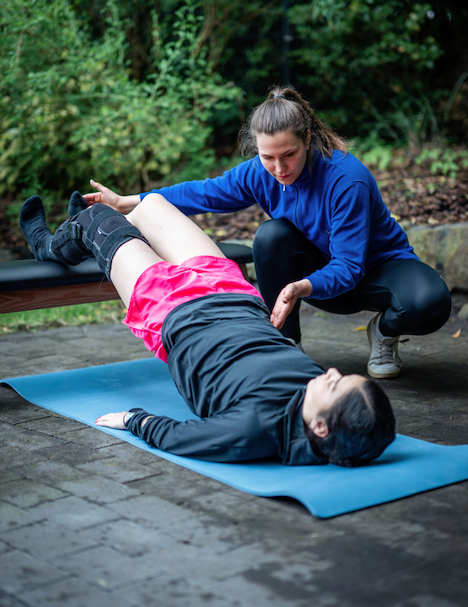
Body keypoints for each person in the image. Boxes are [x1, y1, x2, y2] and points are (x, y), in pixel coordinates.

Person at [83, 86, 452, 379]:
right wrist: (129, 201)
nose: (279, 168)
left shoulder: (346, 180)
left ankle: (384, 333)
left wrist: (302, 286)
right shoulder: (261, 173)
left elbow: (350, 266)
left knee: (430, 303)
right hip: (320, 279)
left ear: (308, 139)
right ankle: (286, 345)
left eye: (288, 154)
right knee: (271, 235)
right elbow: (204, 192)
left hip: (377, 271)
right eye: (267, 157)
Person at [19, 191, 395, 467]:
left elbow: (178, 436)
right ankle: (82, 236)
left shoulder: (254, 429)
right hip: (233, 293)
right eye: (341, 377)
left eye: (334, 385)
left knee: (98, 219)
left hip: (173, 310)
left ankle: (50, 245)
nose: (331, 372)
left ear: (321, 428)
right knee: (151, 206)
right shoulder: (315, 395)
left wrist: (133, 419)